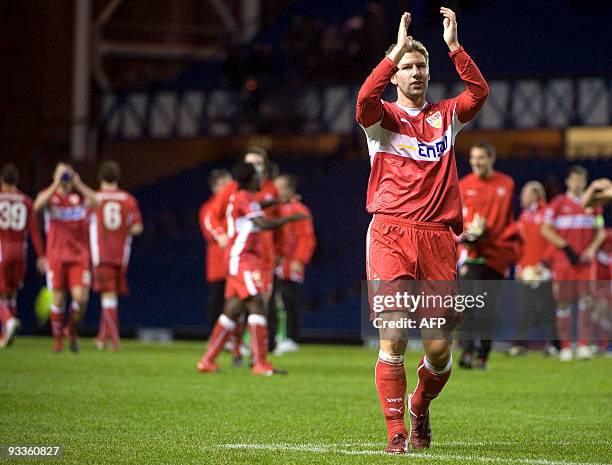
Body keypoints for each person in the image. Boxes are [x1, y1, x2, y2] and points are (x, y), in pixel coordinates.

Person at [356, 9, 488, 453]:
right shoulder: (383, 121)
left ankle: (419, 405)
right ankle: (396, 430)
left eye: (421, 66)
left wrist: (454, 47)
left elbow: (479, 92)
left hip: (436, 239)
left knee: (438, 349)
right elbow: (362, 101)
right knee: (392, 333)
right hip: (391, 234)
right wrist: (395, 51)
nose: (415, 72)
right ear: (396, 75)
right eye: (408, 67)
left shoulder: (446, 116)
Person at [196, 162, 309, 376]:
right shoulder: (242, 198)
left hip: (242, 259)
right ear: (251, 179)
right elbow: (262, 224)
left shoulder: (246, 198)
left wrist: (279, 200)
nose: (262, 180)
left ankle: (207, 361)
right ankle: (260, 363)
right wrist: (293, 217)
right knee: (257, 304)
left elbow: (259, 207)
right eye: (258, 176)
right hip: (243, 259)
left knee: (232, 310)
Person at [208, 147, 281, 362]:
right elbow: (211, 216)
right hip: (243, 257)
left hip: (264, 258)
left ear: (265, 166)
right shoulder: (233, 189)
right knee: (251, 303)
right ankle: (248, 354)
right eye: (250, 163)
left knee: (242, 306)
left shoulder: (270, 190)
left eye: (258, 163)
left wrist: (281, 251)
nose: (254, 167)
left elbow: (276, 227)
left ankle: (217, 357)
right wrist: (221, 235)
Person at [457, 141, 516, 369]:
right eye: (473, 157)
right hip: (471, 253)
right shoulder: (463, 185)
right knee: (468, 303)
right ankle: (467, 352)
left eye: (481, 157)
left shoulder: (506, 184)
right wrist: (467, 235)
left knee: (488, 309)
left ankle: (483, 354)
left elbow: (507, 220)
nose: (476, 162)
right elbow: (459, 221)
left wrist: (488, 231)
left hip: (496, 254)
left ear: (491, 158)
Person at [541, 166, 605, 361]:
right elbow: (545, 229)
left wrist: (592, 249)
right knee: (563, 304)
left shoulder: (593, 205)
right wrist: (566, 247)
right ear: (568, 182)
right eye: (575, 180)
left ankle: (584, 345)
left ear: (586, 183)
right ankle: (566, 346)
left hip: (585, 262)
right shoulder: (559, 203)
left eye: (581, 180)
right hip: (564, 262)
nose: (578, 184)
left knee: (587, 302)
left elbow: (600, 231)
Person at [34, 162, 98, 352]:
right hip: (56, 256)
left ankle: (70, 328)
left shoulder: (78, 198)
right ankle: (57, 340)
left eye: (66, 173)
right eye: (60, 173)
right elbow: (37, 205)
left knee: (81, 298)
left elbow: (97, 202)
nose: (64, 176)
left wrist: (78, 183)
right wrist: (55, 183)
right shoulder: (50, 198)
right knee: (59, 299)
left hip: (79, 256)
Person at [91, 161, 143, 351]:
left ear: (100, 178)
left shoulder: (94, 198)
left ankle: (114, 340)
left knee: (108, 296)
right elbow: (138, 228)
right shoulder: (128, 199)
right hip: (121, 255)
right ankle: (101, 338)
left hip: (102, 254)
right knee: (110, 296)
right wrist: (123, 230)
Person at [507, 181, 558, 357]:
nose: (522, 197)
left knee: (548, 309)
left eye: (525, 194)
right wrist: (520, 266)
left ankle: (556, 346)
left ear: (535, 195)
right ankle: (519, 345)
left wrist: (543, 264)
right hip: (526, 270)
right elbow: (519, 245)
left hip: (543, 270)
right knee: (524, 308)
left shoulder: (547, 213)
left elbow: (554, 240)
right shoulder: (524, 216)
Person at [0, 164, 46, 347]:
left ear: (2, 180)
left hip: (2, 249)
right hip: (21, 251)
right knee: (11, 293)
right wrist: (41, 255)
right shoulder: (26, 201)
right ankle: (7, 336)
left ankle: (8, 321)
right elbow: (35, 231)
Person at [273, 174, 316, 352]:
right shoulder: (273, 209)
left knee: (289, 301)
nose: (276, 191)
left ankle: (291, 338)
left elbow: (306, 238)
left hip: (291, 265)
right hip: (274, 263)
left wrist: (299, 260)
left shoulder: (300, 210)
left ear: (289, 189)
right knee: (273, 302)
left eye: (280, 187)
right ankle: (275, 335)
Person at [198, 169, 232, 331]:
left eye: (229, 184)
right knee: (217, 301)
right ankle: (214, 337)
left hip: (236, 262)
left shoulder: (236, 204)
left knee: (235, 302)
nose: (228, 188)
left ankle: (236, 340)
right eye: (223, 184)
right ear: (214, 187)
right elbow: (209, 230)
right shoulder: (208, 208)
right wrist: (221, 235)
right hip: (218, 263)